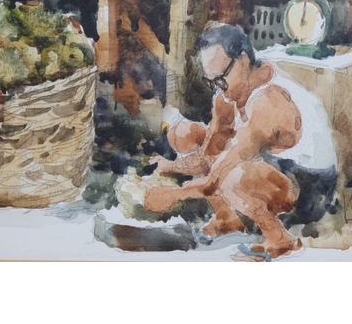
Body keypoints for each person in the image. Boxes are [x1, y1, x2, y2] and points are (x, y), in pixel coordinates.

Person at [143, 22, 338, 259]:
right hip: (270, 168)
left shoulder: (268, 100)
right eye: (211, 81)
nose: (218, 88)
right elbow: (209, 155)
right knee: (184, 133)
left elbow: (216, 177)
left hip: (309, 188)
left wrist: (173, 195)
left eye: (221, 78)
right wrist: (171, 167)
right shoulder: (225, 96)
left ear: (243, 61)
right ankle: (228, 218)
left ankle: (281, 239)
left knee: (231, 177)